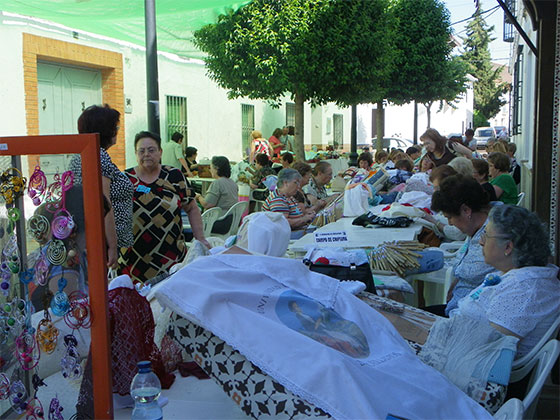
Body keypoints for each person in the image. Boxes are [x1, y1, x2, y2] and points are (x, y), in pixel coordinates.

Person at [451, 205, 560, 358]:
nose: (481, 242)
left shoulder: (524, 290)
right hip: (458, 341)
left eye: (486, 236)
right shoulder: (516, 274)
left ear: (508, 247)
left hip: (467, 362)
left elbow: (491, 347)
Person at [119, 131, 209, 283]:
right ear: (136, 154)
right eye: (141, 151)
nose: (146, 154)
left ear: (160, 152)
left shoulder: (174, 175)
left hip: (170, 256)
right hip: (133, 259)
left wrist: (200, 238)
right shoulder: (125, 179)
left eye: (151, 150)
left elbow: (192, 207)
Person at [69, 104, 133, 269]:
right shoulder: (100, 157)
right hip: (102, 240)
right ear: (107, 130)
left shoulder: (82, 155)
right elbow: (104, 204)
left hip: (89, 236)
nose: (117, 131)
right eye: (115, 127)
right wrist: (112, 245)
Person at [429, 175, 496, 316]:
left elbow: (473, 271)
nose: (450, 223)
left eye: (450, 217)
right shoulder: (475, 229)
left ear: (466, 211)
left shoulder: (492, 236)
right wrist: (457, 281)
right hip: (457, 307)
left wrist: (458, 277)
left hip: (468, 318)